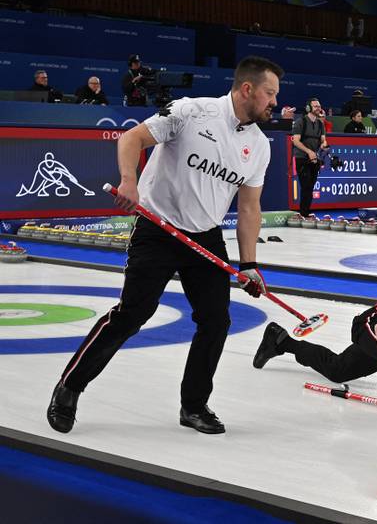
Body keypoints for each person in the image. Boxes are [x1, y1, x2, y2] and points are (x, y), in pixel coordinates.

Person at [46, 56, 284, 435]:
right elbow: (132, 138)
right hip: (158, 229)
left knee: (216, 321)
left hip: (205, 236)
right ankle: (69, 388)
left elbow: (249, 206)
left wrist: (250, 264)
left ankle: (193, 405)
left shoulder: (259, 146)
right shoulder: (192, 112)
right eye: (270, 93)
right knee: (132, 315)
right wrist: (129, 180)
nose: (275, 101)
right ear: (247, 89)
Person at [291, 97, 328, 216]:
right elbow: (296, 141)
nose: (319, 108)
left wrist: (323, 145)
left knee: (311, 186)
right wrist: (309, 152)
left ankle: (305, 211)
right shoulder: (300, 122)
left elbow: (323, 140)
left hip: (315, 159)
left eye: (319, 106)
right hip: (302, 158)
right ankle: (304, 213)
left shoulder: (320, 123)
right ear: (308, 108)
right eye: (316, 106)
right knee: (306, 185)